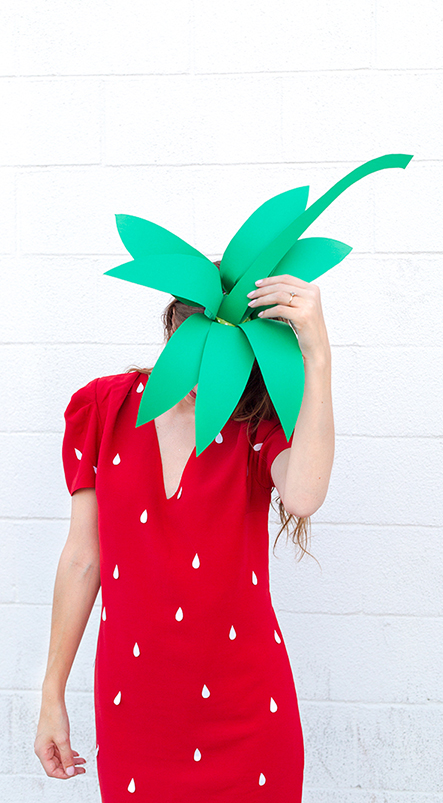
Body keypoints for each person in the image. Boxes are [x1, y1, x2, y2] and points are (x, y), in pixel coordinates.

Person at [34, 272, 335, 802]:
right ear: (172, 327)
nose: (207, 369)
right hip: (137, 708)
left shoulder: (254, 422)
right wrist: (51, 691)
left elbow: (305, 495)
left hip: (246, 710)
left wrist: (318, 358)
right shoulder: (104, 408)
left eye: (231, 351)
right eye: (195, 343)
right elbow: (83, 558)